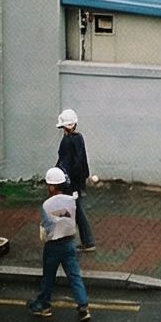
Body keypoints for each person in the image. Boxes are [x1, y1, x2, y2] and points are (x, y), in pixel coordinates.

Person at [26, 168, 90, 322]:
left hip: (53, 245)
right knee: (74, 276)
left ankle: (44, 305)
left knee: (48, 277)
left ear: (52, 187)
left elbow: (47, 227)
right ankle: (83, 305)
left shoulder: (46, 205)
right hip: (69, 243)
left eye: (48, 185)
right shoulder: (71, 200)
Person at [55, 107, 95, 251]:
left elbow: (64, 162)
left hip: (70, 183)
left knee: (74, 210)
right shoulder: (79, 138)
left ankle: (84, 241)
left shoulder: (67, 142)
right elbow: (80, 162)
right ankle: (87, 241)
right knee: (77, 210)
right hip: (77, 182)